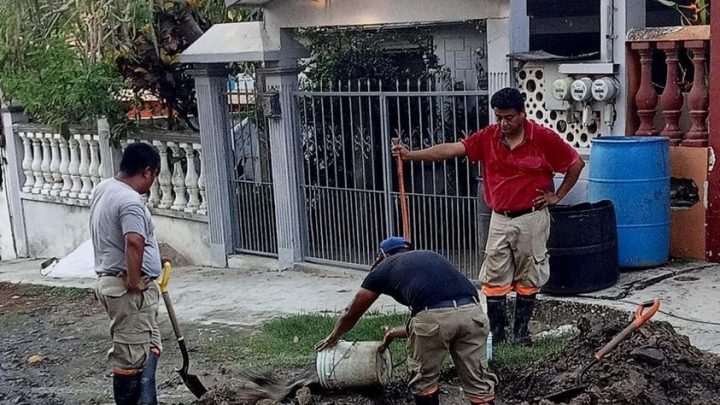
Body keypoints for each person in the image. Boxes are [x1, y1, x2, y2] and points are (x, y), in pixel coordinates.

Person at [392, 87, 585, 345]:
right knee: (494, 277)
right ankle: (498, 333)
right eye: (498, 117)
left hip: (532, 217)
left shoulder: (542, 137)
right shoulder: (488, 137)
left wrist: (557, 196)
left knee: (530, 276)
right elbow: (452, 149)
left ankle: (521, 333)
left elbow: (575, 163)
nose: (503, 123)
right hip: (499, 217)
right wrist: (411, 155)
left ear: (522, 114)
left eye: (509, 117)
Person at [316, 237, 498, 405]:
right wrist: (393, 333)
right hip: (474, 314)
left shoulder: (385, 267)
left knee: (424, 380)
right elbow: (447, 316)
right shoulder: (430, 257)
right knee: (478, 381)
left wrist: (335, 336)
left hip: (434, 317)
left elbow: (351, 312)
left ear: (383, 255)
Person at [90, 142, 163, 405]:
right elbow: (133, 241)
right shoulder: (130, 200)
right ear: (146, 171)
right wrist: (133, 281)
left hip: (114, 281)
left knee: (150, 345)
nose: (152, 184)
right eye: (153, 176)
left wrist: (152, 260)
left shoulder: (104, 188)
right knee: (131, 358)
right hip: (127, 290)